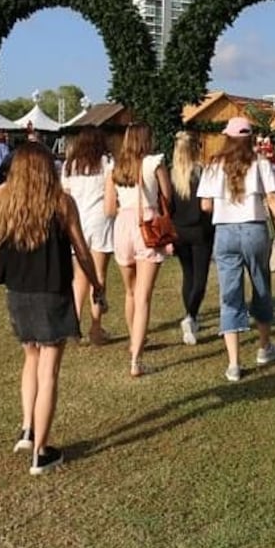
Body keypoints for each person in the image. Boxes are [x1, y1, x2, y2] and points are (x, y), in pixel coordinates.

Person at [0, 142, 102, 476]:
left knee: (31, 359)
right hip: (51, 291)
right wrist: (95, 283)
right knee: (48, 370)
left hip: (18, 292)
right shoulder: (62, 203)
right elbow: (81, 250)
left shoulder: (7, 201)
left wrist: (20, 179)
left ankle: (27, 430)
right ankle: (41, 453)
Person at [197, 116, 275, 383]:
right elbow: (273, 198)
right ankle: (264, 348)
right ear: (251, 138)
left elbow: (206, 206)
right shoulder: (260, 163)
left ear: (227, 137)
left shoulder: (212, 166)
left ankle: (233, 363)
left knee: (229, 294)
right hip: (254, 230)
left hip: (225, 233)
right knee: (261, 287)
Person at [104, 123, 173, 377]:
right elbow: (167, 195)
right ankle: (136, 358)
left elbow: (109, 209)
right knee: (144, 296)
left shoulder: (114, 166)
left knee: (130, 292)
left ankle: (134, 340)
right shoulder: (154, 162)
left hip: (122, 226)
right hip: (148, 225)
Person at [61, 127, 114, 346]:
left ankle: (73, 327)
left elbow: (65, 194)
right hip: (100, 220)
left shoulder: (68, 165)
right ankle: (95, 328)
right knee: (99, 275)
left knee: (79, 277)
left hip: (76, 221)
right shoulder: (106, 163)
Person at [170, 130, 214, 346]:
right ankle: (190, 316)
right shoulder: (202, 172)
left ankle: (191, 315)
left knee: (188, 275)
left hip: (178, 231)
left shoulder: (170, 175)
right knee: (200, 278)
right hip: (200, 231)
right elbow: (207, 206)